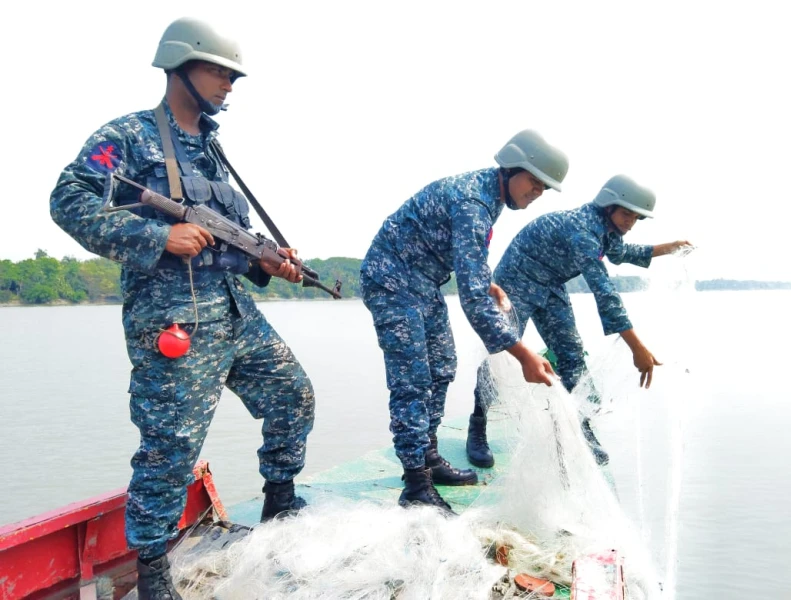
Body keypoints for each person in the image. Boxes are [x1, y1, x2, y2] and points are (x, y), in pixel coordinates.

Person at [50, 18, 315, 599]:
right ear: (179, 67)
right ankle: (151, 569)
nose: (228, 84)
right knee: (170, 447)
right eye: (219, 71)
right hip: (174, 321)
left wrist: (265, 262)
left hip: (234, 310)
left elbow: (232, 241)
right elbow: (67, 197)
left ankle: (279, 504)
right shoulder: (125, 135)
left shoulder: (214, 152)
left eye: (232, 75)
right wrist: (155, 238)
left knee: (293, 396)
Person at [360, 129, 569, 513]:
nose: (536, 193)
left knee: (442, 366)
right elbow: (471, 301)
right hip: (390, 278)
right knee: (412, 379)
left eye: (544, 189)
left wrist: (488, 283)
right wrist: (522, 354)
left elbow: (466, 260)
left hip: (422, 280)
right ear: (510, 169)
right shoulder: (474, 201)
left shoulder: (490, 198)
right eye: (534, 183)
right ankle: (415, 485)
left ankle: (429, 456)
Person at [465, 174, 692, 469]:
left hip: (550, 285)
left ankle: (581, 427)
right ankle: (478, 425)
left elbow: (623, 254)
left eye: (636, 218)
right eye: (626, 214)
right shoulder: (582, 231)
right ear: (608, 206)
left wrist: (670, 247)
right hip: (516, 281)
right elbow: (606, 294)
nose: (630, 223)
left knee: (572, 354)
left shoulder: (607, 230)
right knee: (502, 357)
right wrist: (638, 348)